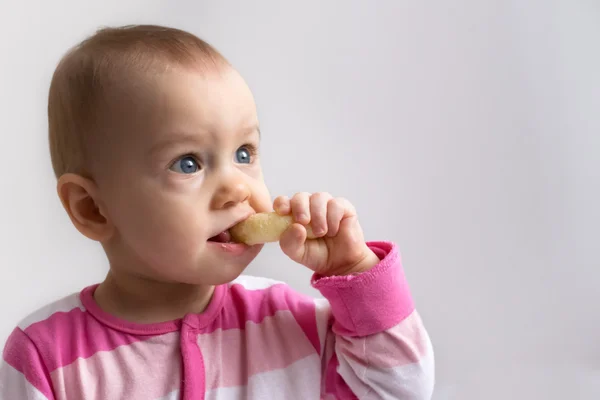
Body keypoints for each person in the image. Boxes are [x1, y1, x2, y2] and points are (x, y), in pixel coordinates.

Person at [0, 25, 434, 399]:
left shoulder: (284, 319)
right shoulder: (45, 356)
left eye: (244, 153)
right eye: (188, 162)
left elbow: (400, 389)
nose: (237, 188)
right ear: (93, 208)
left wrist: (356, 270)